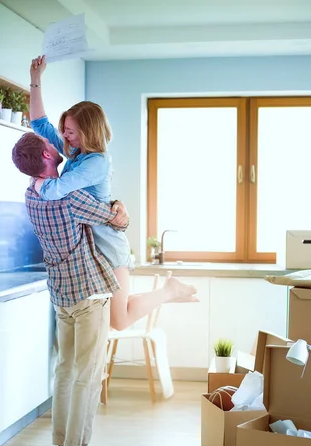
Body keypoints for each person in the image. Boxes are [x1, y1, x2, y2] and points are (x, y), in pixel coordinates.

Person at [29, 55, 198, 332]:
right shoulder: (77, 153)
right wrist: (36, 80)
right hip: (92, 251)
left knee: (118, 321)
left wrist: (36, 184)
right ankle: (169, 290)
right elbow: (39, 124)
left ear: (86, 131)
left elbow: (56, 191)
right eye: (65, 131)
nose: (64, 136)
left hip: (107, 246)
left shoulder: (97, 161)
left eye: (70, 131)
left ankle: (168, 291)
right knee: (115, 314)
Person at [12, 132, 129, 446]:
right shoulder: (71, 199)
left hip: (61, 294)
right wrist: (120, 208)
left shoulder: (30, 195)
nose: (57, 145)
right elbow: (116, 220)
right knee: (89, 374)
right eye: (50, 145)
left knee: (65, 370)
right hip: (89, 293)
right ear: (46, 157)